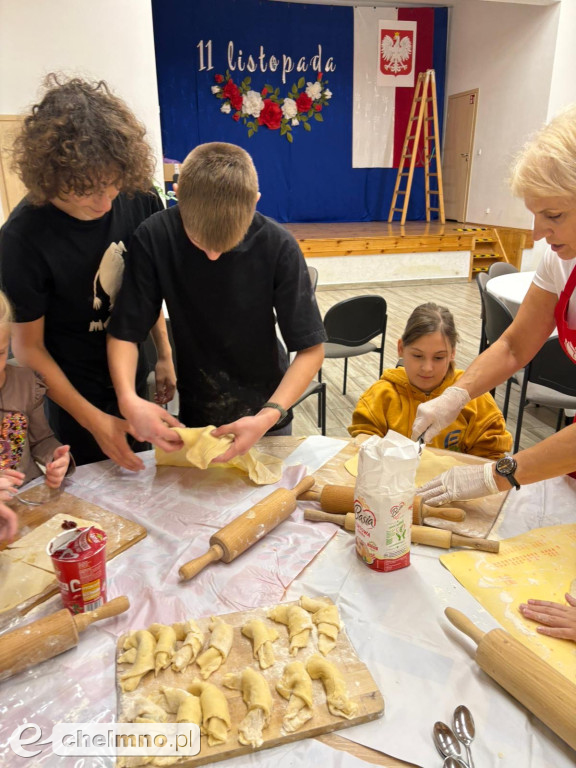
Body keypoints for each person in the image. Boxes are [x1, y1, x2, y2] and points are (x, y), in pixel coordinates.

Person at [107, 142, 326, 461]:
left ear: (254, 203)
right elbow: (125, 332)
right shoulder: (154, 237)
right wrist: (128, 397)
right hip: (199, 404)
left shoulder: (279, 246)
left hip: (266, 409)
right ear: (177, 194)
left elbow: (311, 349)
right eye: (199, 241)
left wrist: (269, 415)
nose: (212, 255)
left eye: (226, 244)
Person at [0, 74, 176, 470]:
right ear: (51, 179)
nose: (104, 201)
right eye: (85, 189)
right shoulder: (22, 237)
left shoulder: (139, 196)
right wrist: (94, 421)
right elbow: (28, 348)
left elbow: (147, 287)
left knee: (142, 478)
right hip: (72, 388)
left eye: (112, 184)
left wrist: (164, 352)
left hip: (134, 368)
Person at [412, 104, 576, 506]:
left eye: (553, 214)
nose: (537, 233)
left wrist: (497, 474)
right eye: (534, 214)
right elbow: (515, 345)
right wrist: (456, 395)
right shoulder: (561, 257)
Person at [348, 302, 512, 459]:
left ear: (452, 353)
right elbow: (363, 442)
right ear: (400, 348)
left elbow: (490, 454)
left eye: (439, 357)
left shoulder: (475, 398)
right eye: (418, 356)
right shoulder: (380, 396)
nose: (427, 368)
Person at [0, 290, 71, 540]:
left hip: (29, 501)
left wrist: (56, 458)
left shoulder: (26, 383)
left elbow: (42, 440)